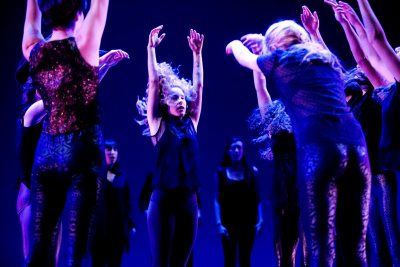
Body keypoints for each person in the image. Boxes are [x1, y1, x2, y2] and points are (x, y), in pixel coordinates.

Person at [226, 18, 371, 267]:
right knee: (355, 246)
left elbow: (248, 61)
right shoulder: (328, 61)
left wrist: (234, 44)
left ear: (274, 46)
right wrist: (266, 42)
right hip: (358, 147)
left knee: (320, 243)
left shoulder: (281, 60)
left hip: (320, 148)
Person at [21, 0, 109, 265]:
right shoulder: (85, 46)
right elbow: (101, 5)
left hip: (45, 155)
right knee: (73, 256)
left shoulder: (33, 50)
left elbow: (31, 22)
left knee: (38, 253)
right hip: (81, 157)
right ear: (79, 14)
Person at [323, 0, 400, 265]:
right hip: (384, 171)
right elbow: (365, 59)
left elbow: (378, 41)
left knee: (394, 241)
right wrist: (349, 23)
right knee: (381, 245)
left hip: (391, 174)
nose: (393, 53)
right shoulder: (387, 90)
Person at [136, 25, 204, 267]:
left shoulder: (191, 123)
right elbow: (154, 82)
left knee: (181, 262)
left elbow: (198, 88)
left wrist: (197, 55)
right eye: (175, 97)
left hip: (188, 199)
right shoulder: (158, 124)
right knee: (160, 262)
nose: (182, 101)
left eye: (183, 98)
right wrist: (150, 49)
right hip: (162, 199)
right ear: (165, 101)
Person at [240, 31, 303, 267]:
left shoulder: (302, 112)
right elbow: (261, 90)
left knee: (309, 244)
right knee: (284, 249)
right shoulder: (274, 123)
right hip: (283, 189)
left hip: (306, 181)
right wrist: (258, 62)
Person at [214, 137, 263, 267]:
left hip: (248, 224)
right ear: (228, 151)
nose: (236, 151)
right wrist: (219, 223)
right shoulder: (221, 173)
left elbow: (257, 198)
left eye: (239, 148)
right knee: (229, 260)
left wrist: (260, 220)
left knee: (245, 259)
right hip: (228, 224)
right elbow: (216, 199)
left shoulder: (251, 172)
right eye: (233, 148)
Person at [139, 172, 202, 267]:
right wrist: (150, 212)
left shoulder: (188, 178)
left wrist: (197, 214)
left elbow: (196, 201)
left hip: (183, 229)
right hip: (163, 229)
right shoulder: (155, 177)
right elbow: (143, 201)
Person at [90, 139, 136, 267]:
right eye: (109, 149)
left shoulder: (122, 175)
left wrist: (131, 224)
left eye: (115, 149)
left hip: (117, 232)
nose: (112, 152)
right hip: (99, 231)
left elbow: (127, 203)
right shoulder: (95, 174)